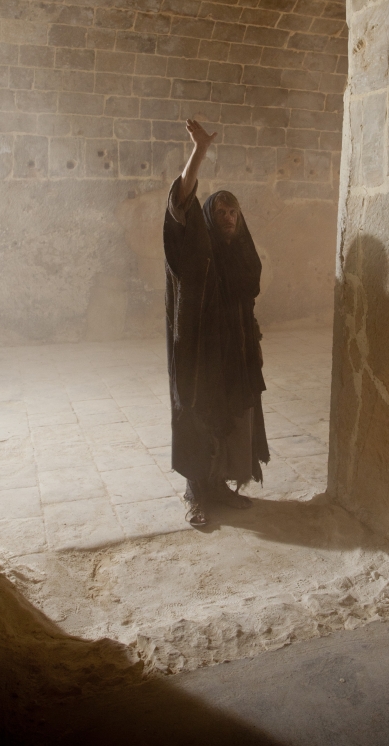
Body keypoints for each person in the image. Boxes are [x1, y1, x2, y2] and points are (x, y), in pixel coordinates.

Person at [163, 119, 270, 526]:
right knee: (199, 413)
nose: (228, 217)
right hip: (200, 354)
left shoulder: (242, 252)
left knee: (232, 416)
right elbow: (181, 202)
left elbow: (248, 295)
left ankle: (220, 485)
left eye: (233, 212)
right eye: (221, 212)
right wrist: (199, 152)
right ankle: (196, 492)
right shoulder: (198, 246)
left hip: (235, 355)